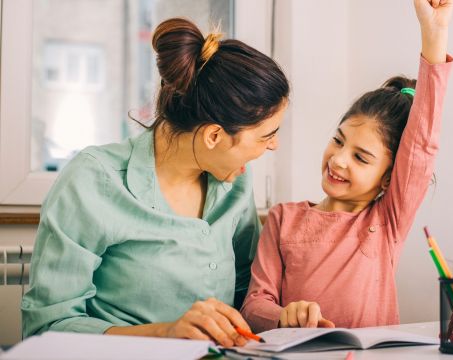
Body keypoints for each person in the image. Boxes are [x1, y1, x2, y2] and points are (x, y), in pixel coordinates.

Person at [22, 17, 289, 348]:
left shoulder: (233, 185)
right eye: (267, 135)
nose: (274, 145)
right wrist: (166, 333)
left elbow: (248, 296)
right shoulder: (93, 179)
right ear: (214, 135)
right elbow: (45, 328)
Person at [241, 0, 453, 332]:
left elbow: (421, 147)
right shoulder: (283, 219)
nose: (339, 159)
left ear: (388, 178)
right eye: (338, 141)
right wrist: (283, 314)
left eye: (360, 157)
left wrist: (435, 35)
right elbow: (254, 305)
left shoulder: (386, 222)